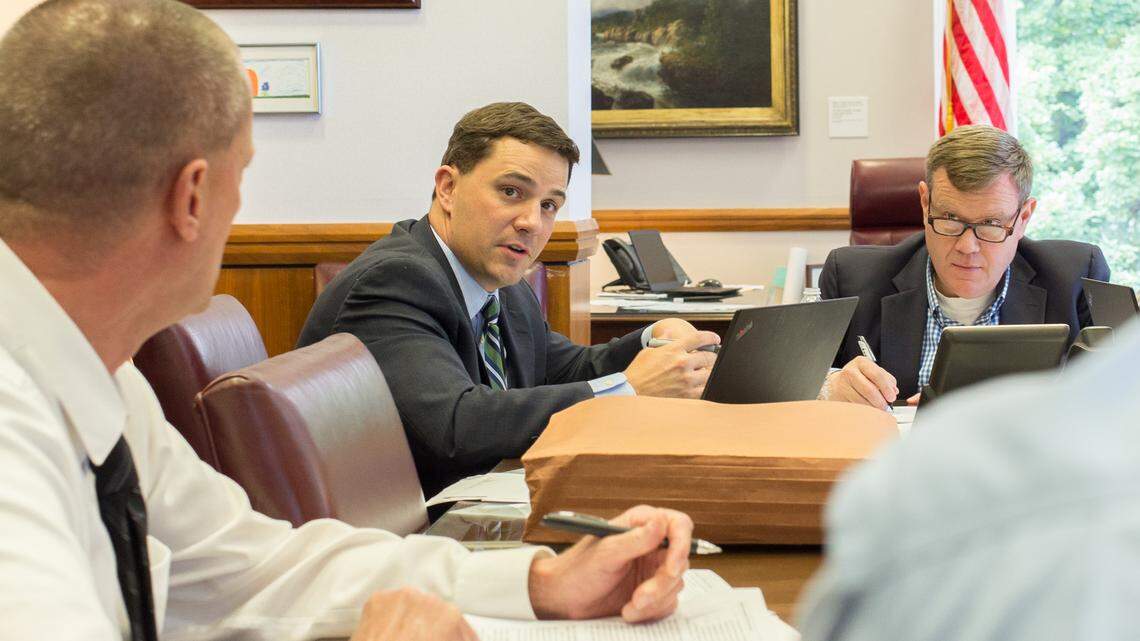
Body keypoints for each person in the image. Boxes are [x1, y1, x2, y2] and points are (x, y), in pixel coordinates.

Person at [0, 2, 694, 640]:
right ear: (195, 195)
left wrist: (540, 581)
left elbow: (250, 566)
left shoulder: (104, 374)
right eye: (244, 173)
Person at [297, 102, 719, 497]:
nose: (532, 223)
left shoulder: (503, 283)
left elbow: (564, 369)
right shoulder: (395, 281)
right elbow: (456, 426)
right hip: (401, 537)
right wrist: (628, 388)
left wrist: (653, 341)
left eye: (550, 204)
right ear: (447, 187)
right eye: (512, 192)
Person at [798, 318, 1140, 640]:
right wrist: (832, 382)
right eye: (950, 246)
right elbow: (800, 363)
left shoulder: (1065, 276)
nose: (969, 250)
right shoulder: (861, 276)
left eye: (994, 247)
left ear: (1019, 250)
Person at [819, 125, 1109, 409]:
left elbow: (1116, 396)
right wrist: (829, 385)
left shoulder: (1076, 277)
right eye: (950, 219)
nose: (967, 247)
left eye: (991, 224)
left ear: (1023, 218)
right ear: (924, 204)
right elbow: (789, 383)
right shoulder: (851, 278)